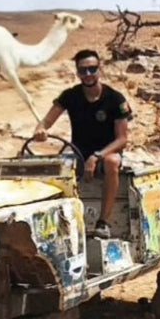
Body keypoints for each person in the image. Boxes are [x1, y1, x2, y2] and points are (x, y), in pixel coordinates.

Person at [34, 49, 132, 239]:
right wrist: (40, 130)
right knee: (52, 166)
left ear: (99, 69)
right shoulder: (70, 96)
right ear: (77, 72)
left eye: (92, 69)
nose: (88, 74)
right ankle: (58, 224)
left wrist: (96, 156)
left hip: (106, 153)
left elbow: (122, 139)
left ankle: (103, 222)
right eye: (83, 70)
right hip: (79, 153)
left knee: (112, 162)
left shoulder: (115, 99)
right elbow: (46, 121)